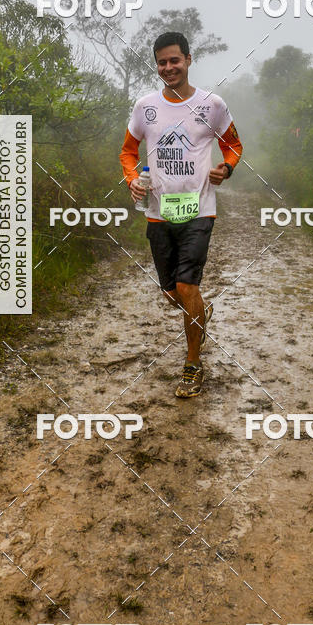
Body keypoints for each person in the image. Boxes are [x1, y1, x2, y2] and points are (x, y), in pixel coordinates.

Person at [119, 31, 243, 398]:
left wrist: (227, 168)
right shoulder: (145, 107)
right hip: (158, 213)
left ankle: (192, 365)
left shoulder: (212, 105)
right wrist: (132, 179)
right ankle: (199, 313)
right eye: (162, 62)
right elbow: (128, 151)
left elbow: (233, 145)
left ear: (188, 60)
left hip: (199, 211)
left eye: (175, 60)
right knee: (173, 294)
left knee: (188, 286)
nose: (169, 67)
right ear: (157, 66)